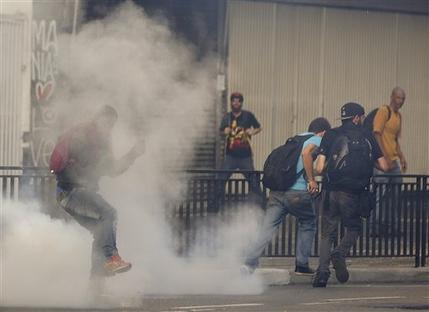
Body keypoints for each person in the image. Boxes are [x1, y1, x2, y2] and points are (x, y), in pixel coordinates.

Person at [52, 105, 145, 282]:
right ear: (98, 118)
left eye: (112, 125)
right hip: (72, 191)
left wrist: (133, 154)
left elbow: (112, 169)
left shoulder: (101, 141)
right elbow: (91, 163)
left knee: (100, 230)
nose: (109, 128)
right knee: (109, 213)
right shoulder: (84, 135)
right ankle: (111, 258)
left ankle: (95, 285)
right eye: (107, 122)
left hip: (68, 193)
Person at [241, 117, 332, 275]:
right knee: (308, 222)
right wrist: (312, 180)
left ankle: (249, 263)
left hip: (277, 192)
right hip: (298, 193)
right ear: (323, 132)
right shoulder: (317, 139)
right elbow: (306, 155)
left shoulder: (294, 139)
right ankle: (302, 265)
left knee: (267, 228)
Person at [312, 102, 388, 287]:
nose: (362, 120)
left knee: (327, 233)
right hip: (354, 194)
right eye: (361, 117)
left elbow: (319, 167)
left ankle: (322, 273)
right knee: (353, 229)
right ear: (356, 118)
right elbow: (384, 166)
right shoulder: (367, 136)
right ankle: (340, 252)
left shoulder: (331, 134)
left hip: (331, 191)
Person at [371, 87, 406, 235]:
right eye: (398, 98)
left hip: (394, 160)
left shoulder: (398, 116)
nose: (401, 101)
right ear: (392, 97)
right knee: (380, 195)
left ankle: (393, 226)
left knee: (396, 195)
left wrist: (402, 157)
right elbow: (376, 134)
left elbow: (395, 140)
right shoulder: (384, 111)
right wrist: (384, 157)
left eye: (403, 99)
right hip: (383, 161)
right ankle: (376, 227)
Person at [217, 92, 262, 205]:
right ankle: (215, 206)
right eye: (234, 100)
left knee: (253, 181)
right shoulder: (227, 117)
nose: (236, 103)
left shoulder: (248, 115)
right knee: (221, 180)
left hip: (245, 156)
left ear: (241, 103)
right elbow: (220, 131)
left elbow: (259, 127)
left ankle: (261, 206)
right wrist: (224, 131)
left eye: (238, 101)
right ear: (231, 103)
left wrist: (252, 131)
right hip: (230, 155)